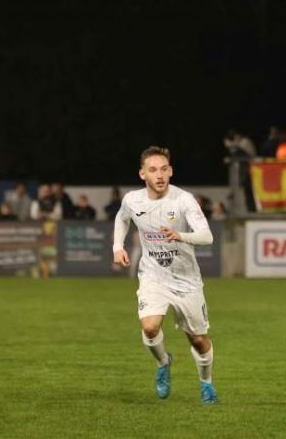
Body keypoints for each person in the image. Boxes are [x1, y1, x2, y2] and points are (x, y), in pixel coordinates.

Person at [112, 146, 218, 404]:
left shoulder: (183, 200)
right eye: (152, 170)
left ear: (170, 171)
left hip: (186, 281)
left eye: (163, 169)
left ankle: (207, 384)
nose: (159, 175)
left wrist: (180, 235)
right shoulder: (132, 200)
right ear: (142, 174)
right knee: (149, 327)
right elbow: (122, 218)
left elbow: (207, 236)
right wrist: (117, 247)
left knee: (198, 340)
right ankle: (163, 363)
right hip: (153, 276)